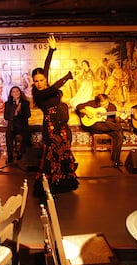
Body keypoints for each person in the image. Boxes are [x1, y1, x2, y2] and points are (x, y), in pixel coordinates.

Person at [32, 35, 79, 196]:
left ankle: (63, 183)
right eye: (36, 81)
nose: (39, 83)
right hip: (51, 129)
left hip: (62, 127)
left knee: (64, 153)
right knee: (51, 157)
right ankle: (48, 186)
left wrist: (51, 50)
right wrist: (67, 77)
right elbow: (53, 90)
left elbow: (46, 66)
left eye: (41, 80)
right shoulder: (39, 94)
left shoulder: (45, 83)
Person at [76, 94, 124, 167]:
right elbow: (78, 106)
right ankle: (120, 127)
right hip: (96, 127)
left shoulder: (112, 107)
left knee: (119, 133)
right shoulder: (93, 103)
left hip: (109, 127)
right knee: (102, 124)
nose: (106, 105)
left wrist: (118, 117)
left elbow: (115, 121)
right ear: (98, 103)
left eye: (107, 103)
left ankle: (116, 159)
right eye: (104, 104)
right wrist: (86, 112)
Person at [3, 86, 31, 164]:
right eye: (13, 92)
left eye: (17, 91)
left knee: (26, 134)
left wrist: (20, 112)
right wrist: (15, 110)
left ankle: (21, 153)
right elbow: (6, 116)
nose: (15, 93)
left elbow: (28, 115)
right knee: (8, 134)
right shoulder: (8, 103)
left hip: (22, 126)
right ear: (11, 94)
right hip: (12, 126)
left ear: (20, 93)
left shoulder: (25, 103)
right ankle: (10, 157)